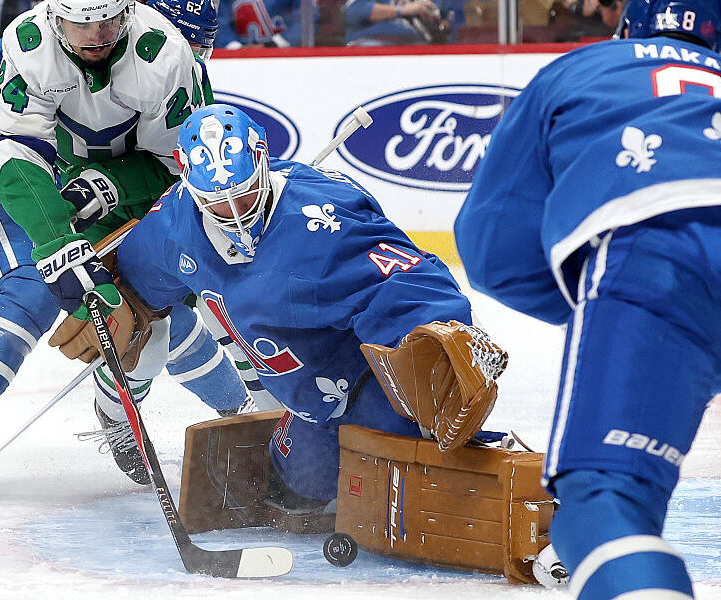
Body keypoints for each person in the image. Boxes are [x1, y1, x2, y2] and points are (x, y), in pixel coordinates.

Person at [454, 0, 721, 597]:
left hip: (657, 258)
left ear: (628, 25)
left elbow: (491, 249)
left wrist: (611, 320)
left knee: (602, 505)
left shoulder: (574, 70)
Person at [0, 0, 244, 499]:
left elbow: (170, 169)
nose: (193, 55)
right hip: (9, 187)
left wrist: (110, 184)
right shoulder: (55, 35)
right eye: (186, 39)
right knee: (33, 289)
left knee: (145, 307)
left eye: (200, 46)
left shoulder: (168, 62)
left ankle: (228, 414)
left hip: (95, 193)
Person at [94, 103, 477, 506]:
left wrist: (438, 340)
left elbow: (411, 282)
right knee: (297, 489)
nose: (234, 213)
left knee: (410, 481)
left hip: (374, 381)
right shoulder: (172, 225)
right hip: (307, 404)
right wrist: (106, 299)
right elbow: (134, 286)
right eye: (217, 201)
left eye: (244, 193)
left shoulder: (325, 217)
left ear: (262, 160)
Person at [343, 0, 461, 45]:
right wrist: (403, 10)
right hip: (372, 45)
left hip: (418, 49)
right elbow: (354, 12)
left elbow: (451, 28)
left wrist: (436, 23)